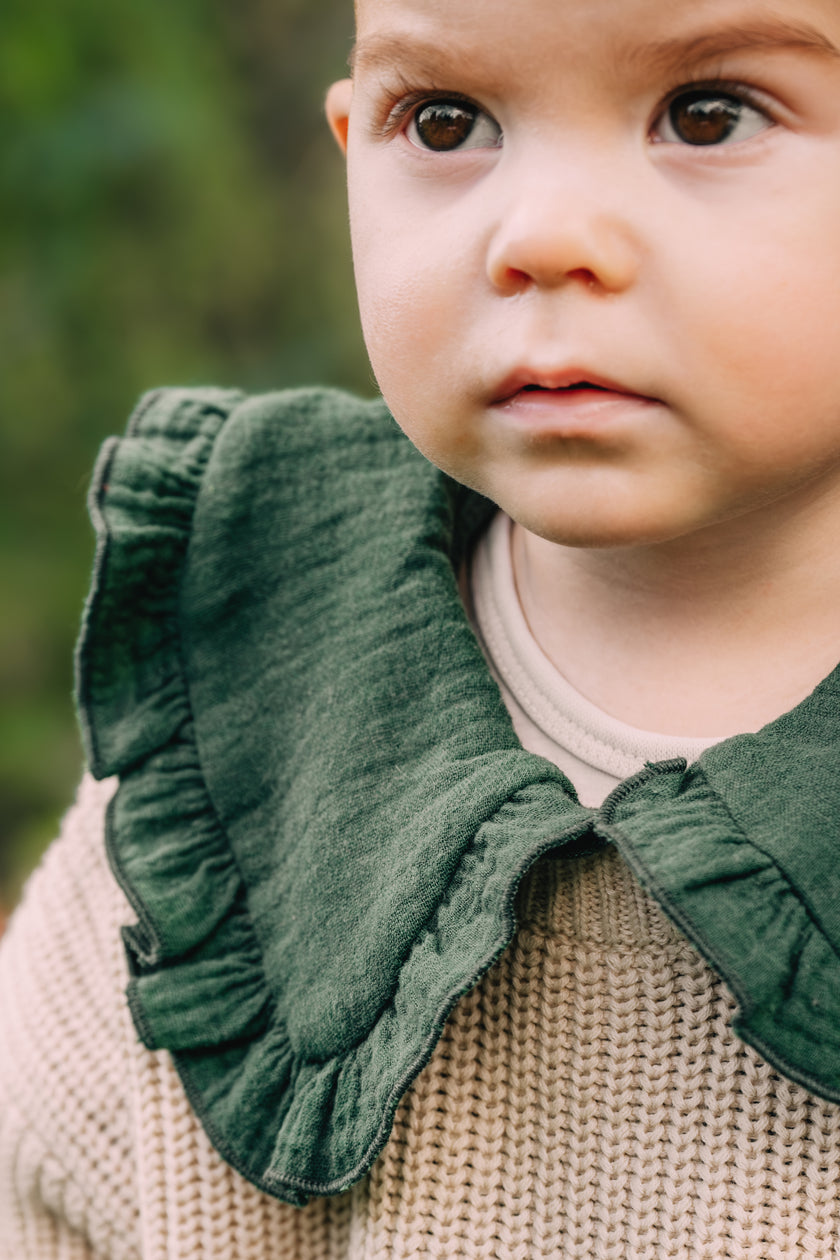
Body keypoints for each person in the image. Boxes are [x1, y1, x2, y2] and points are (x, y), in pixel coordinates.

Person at [4, 0, 840, 1254]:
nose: (544, 233)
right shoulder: (258, 690)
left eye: (706, 114)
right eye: (446, 121)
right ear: (351, 152)